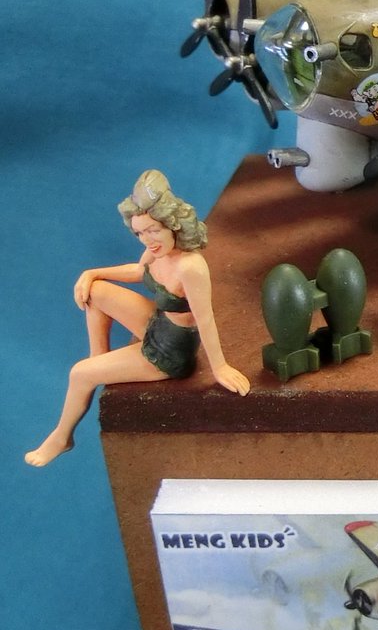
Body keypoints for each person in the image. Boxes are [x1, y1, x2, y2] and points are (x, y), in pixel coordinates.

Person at [25, 169, 249, 467]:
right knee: (95, 291)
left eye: (153, 230)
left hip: (170, 351)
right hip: (157, 322)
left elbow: (205, 318)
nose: (148, 240)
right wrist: (92, 273)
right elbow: (138, 271)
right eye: (140, 233)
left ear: (172, 224)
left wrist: (219, 367)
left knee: (79, 373)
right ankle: (100, 360)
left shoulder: (190, 267)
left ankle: (61, 437)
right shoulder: (156, 251)